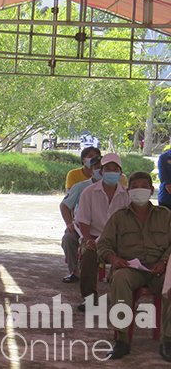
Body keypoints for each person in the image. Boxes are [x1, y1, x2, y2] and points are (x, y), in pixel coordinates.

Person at [97, 171, 171, 361]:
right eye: (135, 186)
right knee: (120, 278)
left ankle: (168, 341)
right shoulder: (119, 217)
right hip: (131, 268)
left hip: (160, 269)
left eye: (144, 186)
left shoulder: (165, 215)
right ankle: (122, 340)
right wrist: (113, 259)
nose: (139, 190)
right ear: (129, 191)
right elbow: (103, 244)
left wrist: (163, 261)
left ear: (152, 190)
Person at [74, 153, 130, 311]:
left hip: (118, 240)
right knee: (88, 254)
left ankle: (120, 297)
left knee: (129, 256)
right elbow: (83, 220)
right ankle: (89, 299)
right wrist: (87, 239)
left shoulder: (126, 195)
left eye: (115, 169)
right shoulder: (88, 192)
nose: (111, 172)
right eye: (107, 169)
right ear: (101, 171)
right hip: (94, 237)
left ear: (120, 172)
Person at [58, 157, 102, 284]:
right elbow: (65, 205)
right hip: (82, 228)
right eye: (97, 168)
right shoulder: (80, 187)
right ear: (90, 170)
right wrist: (69, 223)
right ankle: (74, 272)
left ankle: (115, 272)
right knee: (68, 238)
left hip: (106, 228)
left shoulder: (117, 189)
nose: (100, 170)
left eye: (102, 168)